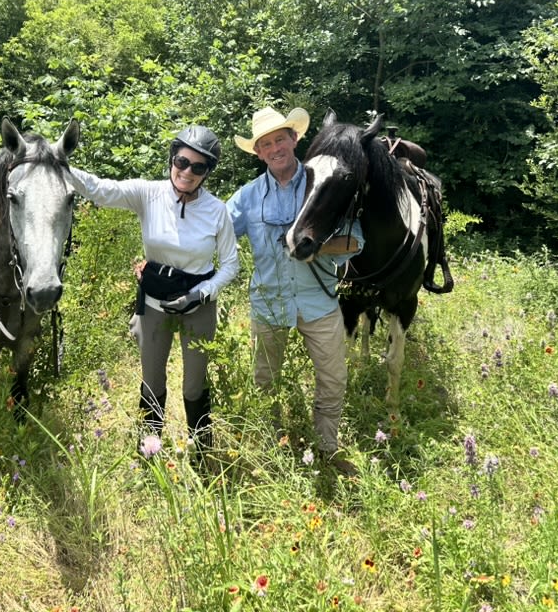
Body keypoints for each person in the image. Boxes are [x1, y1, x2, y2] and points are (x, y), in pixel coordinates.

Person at [66, 125, 239, 460]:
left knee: (193, 383)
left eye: (198, 167)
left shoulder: (217, 211)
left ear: (207, 173)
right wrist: (57, 162)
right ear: (172, 158)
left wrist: (200, 294)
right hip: (154, 301)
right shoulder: (149, 193)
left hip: (197, 303)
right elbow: (100, 190)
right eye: (182, 161)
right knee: (152, 379)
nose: (187, 171)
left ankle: (202, 450)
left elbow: (231, 265)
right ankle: (149, 451)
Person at [226, 106, 364, 475]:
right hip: (268, 304)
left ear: (295, 139)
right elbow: (214, 231)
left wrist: (315, 245)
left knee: (332, 378)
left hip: (319, 303)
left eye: (280, 139)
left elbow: (356, 242)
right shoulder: (247, 197)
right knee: (264, 380)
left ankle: (327, 448)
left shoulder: (327, 182)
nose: (275, 148)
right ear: (258, 152)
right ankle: (273, 445)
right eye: (266, 144)